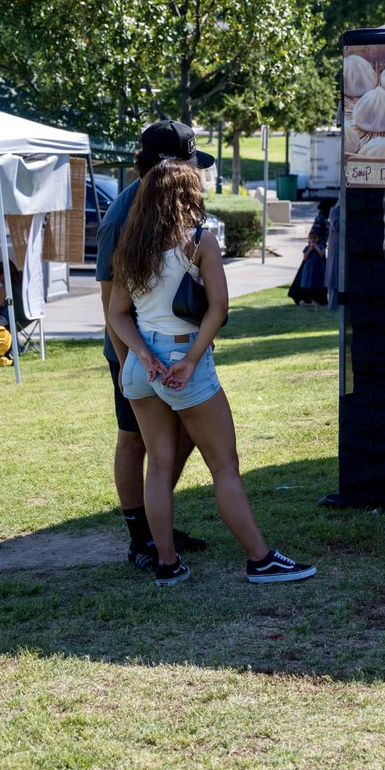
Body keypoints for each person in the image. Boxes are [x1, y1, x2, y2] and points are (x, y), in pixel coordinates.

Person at [109, 158, 317, 588]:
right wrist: (187, 361)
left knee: (160, 467)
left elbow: (117, 316)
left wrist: (145, 358)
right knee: (224, 465)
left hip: (140, 366)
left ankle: (167, 565)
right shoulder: (199, 242)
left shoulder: (127, 247)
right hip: (185, 359)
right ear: (187, 195)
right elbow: (218, 310)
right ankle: (260, 560)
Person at [96, 120, 213, 573]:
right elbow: (111, 305)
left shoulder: (173, 200)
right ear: (170, 163)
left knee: (180, 437)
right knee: (135, 441)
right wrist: (133, 366)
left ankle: (156, 520)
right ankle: (140, 537)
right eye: (189, 161)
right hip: (135, 352)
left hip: (177, 349)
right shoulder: (122, 215)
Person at [326, 201, 340, 311]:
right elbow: (336, 225)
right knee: (335, 274)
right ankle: (333, 304)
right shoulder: (335, 211)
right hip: (337, 248)